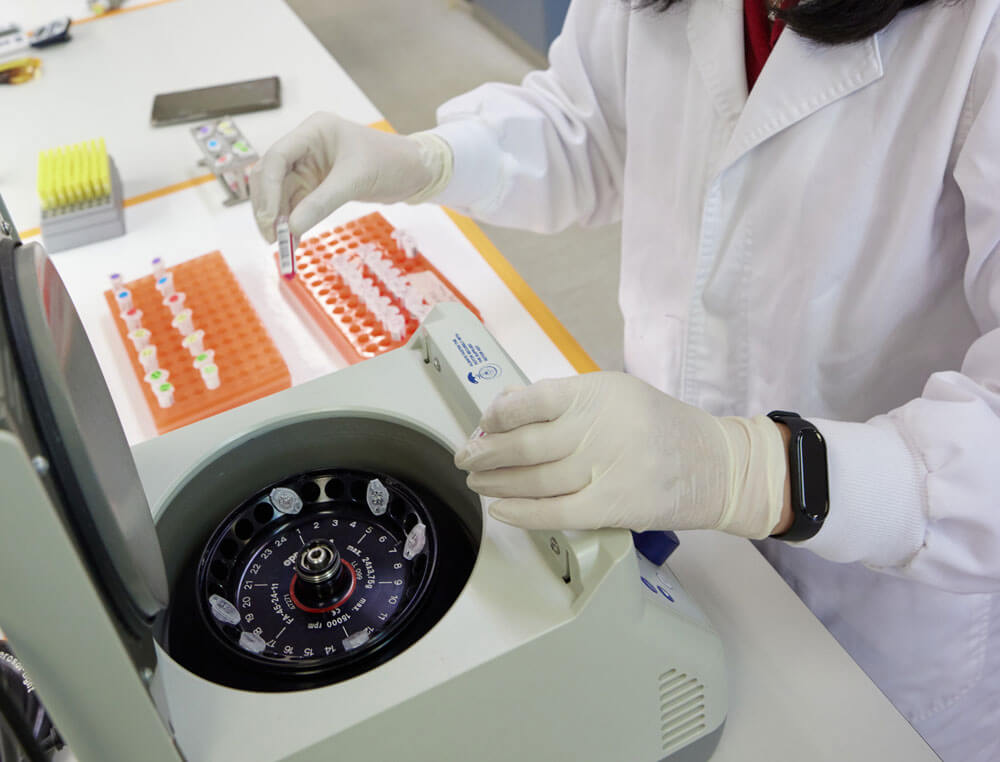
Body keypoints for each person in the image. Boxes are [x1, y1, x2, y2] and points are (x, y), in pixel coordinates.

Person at [250, 0, 1000, 758]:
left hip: (875, 622)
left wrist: (752, 472)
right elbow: (589, 125)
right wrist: (427, 159)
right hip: (665, 526)